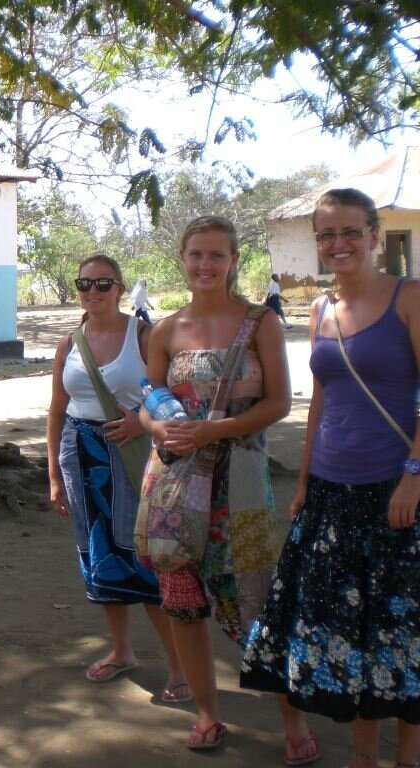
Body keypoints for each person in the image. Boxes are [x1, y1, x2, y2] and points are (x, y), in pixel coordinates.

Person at [241, 189, 420, 768]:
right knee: (349, 629)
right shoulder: (321, 310)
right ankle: (362, 757)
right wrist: (304, 482)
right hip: (329, 492)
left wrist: (414, 476)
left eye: (349, 231)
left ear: (374, 236)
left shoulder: (409, 298)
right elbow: (321, 400)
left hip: (394, 490)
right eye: (326, 235)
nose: (338, 243)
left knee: (399, 630)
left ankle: (406, 757)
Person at [138, 215, 315, 759]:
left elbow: (278, 403)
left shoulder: (259, 322)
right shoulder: (165, 330)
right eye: (196, 254)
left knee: (256, 599)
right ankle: (208, 714)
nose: (205, 264)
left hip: (240, 484)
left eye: (217, 255)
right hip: (173, 485)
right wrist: (157, 428)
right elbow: (148, 400)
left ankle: (294, 723)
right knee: (182, 600)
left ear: (234, 260)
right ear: (182, 259)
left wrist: (213, 431)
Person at [46, 254, 188, 701]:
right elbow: (56, 411)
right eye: (84, 283)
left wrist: (139, 420)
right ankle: (122, 650)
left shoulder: (143, 335)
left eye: (103, 284)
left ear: (120, 289)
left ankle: (179, 669)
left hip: (132, 457)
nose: (93, 291)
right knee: (101, 555)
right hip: (81, 457)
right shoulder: (70, 344)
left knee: (144, 559)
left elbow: (172, 396)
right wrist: (53, 474)